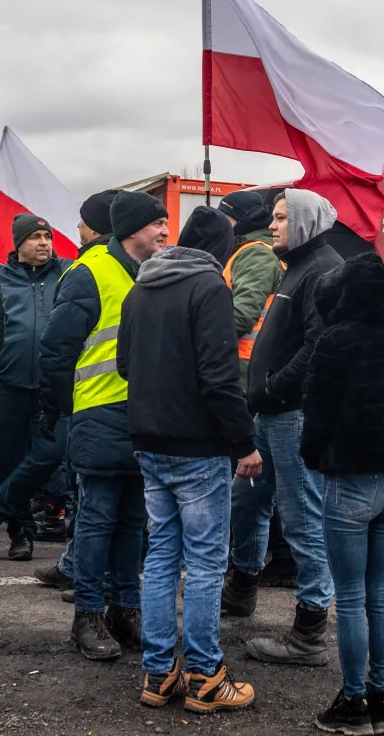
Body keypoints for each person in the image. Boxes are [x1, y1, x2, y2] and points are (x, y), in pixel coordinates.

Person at [120, 206, 261, 713]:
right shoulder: (209, 290)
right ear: (219, 251)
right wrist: (243, 443)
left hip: (149, 441)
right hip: (198, 447)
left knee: (160, 557)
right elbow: (220, 379)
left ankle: (159, 674)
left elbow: (123, 363)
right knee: (204, 564)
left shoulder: (141, 289)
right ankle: (205, 675)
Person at [300, 252, 384, 735]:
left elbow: (317, 413)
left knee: (349, 598)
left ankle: (353, 704)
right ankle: (380, 701)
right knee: (378, 596)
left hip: (348, 481)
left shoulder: (335, 341)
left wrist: (314, 458)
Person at [40, 190, 165, 661]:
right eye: (157, 223)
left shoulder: (154, 272)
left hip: (146, 415)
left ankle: (125, 608)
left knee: (134, 520)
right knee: (96, 520)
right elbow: (57, 350)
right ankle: (87, 615)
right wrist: (60, 408)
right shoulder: (89, 273)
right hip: (98, 413)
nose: (165, 231)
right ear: (132, 229)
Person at [228, 188, 343, 665]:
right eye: (273, 217)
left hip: (291, 414)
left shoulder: (322, 269)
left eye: (280, 218)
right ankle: (242, 589)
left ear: (306, 221)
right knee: (248, 500)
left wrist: (274, 385)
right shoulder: (296, 265)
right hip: (271, 413)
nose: (272, 225)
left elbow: (319, 346)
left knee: (303, 520)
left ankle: (310, 632)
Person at [0, 211, 74, 561]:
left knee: (50, 455)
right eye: (35, 237)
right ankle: (21, 536)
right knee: (7, 464)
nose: (44, 243)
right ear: (18, 244)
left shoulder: (67, 273)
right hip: (6, 384)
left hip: (52, 387)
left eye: (47, 237)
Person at [215, 190, 283, 389]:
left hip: (245, 363)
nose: (220, 225)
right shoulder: (245, 249)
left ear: (242, 220)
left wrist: (201, 338)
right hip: (242, 359)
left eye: (224, 218)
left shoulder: (256, 253)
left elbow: (242, 315)